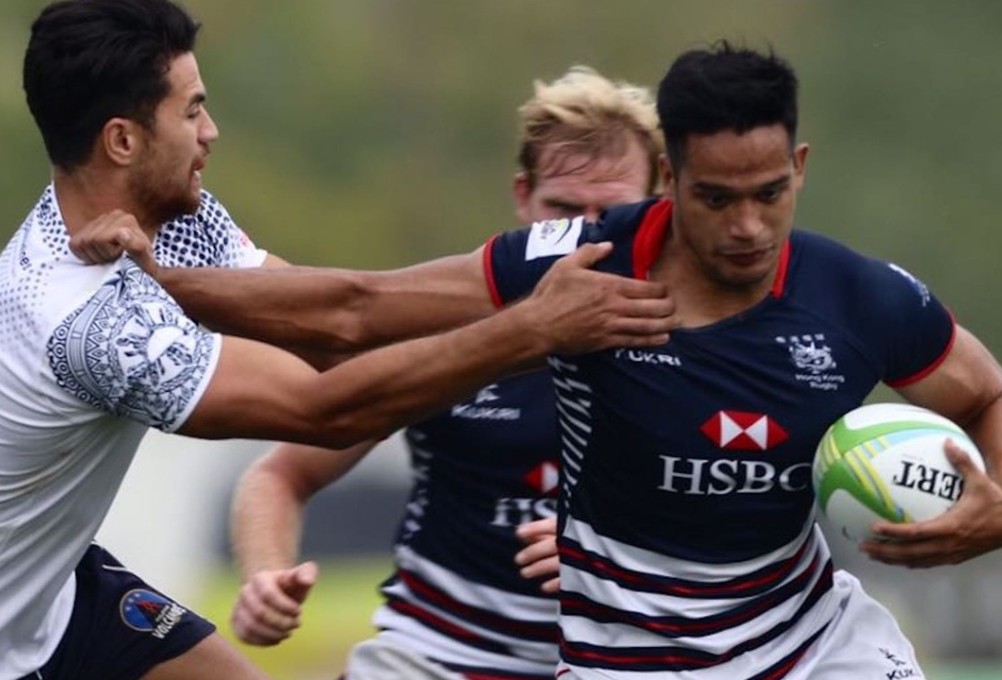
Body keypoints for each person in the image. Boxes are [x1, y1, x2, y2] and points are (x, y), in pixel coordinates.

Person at [95, 41, 1002, 678]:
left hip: (811, 644)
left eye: (770, 194)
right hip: (556, 657)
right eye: (717, 199)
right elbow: (353, 310)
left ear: (801, 169)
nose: (747, 226)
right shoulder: (561, 275)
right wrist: (160, 277)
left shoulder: (861, 297)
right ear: (674, 183)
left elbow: (989, 395)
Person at [0, 1, 678, 679]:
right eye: (192, 111)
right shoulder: (87, 322)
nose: (211, 130)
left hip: (62, 595)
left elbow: (338, 321)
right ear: (122, 141)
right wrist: (533, 330)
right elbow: (326, 411)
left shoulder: (168, 223)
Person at [226, 66, 664, 680]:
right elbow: (281, 475)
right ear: (523, 195)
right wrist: (266, 575)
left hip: (628, 663)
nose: (585, 241)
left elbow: (769, 523)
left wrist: (616, 555)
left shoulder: (710, 338)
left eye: (612, 214)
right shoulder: (444, 327)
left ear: (661, 202)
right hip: (435, 657)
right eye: (563, 211)